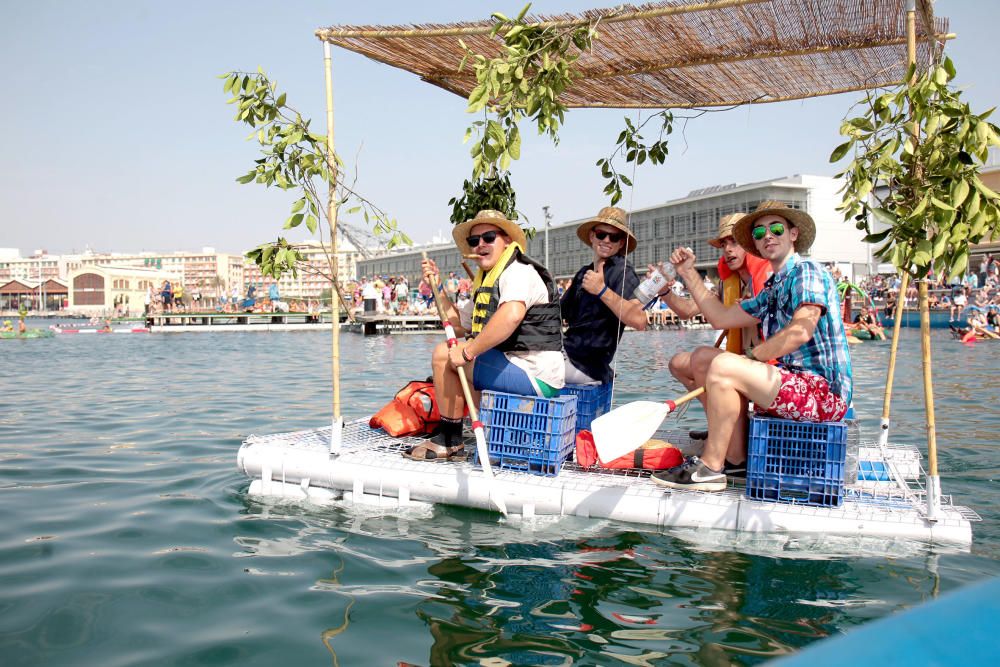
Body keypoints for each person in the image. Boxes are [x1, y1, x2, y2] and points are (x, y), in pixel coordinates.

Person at [652, 201, 852, 492]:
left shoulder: (806, 272)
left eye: (776, 228)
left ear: (793, 234)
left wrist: (752, 357)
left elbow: (800, 331)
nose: (767, 235)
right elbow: (720, 316)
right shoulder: (773, 286)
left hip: (824, 395)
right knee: (706, 357)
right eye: (759, 232)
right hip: (795, 385)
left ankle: (710, 466)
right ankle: (734, 456)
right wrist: (688, 272)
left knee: (723, 365)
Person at [405, 209, 565, 461]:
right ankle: (475, 437)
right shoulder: (488, 281)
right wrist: (437, 286)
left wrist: (468, 352)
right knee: (457, 350)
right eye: (474, 241)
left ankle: (450, 439)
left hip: (535, 375)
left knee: (444, 354)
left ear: (507, 242)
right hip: (516, 367)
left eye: (489, 237)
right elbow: (458, 325)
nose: (480, 244)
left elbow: (511, 314)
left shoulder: (519, 272)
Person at [655, 212, 773, 472]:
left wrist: (689, 273)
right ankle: (724, 432)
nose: (728, 250)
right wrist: (663, 291)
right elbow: (688, 310)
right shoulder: (728, 282)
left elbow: (722, 320)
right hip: (745, 365)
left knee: (703, 358)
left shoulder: (766, 277)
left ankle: (735, 455)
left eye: (735, 242)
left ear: (751, 244)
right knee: (678, 363)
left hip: (769, 367)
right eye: (724, 244)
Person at [560, 206, 647, 386]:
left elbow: (639, 321)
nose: (606, 240)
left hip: (586, 366)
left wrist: (601, 290)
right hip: (567, 353)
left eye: (614, 237)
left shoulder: (623, 271)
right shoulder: (584, 273)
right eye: (601, 234)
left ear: (621, 243)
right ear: (592, 236)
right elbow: (559, 312)